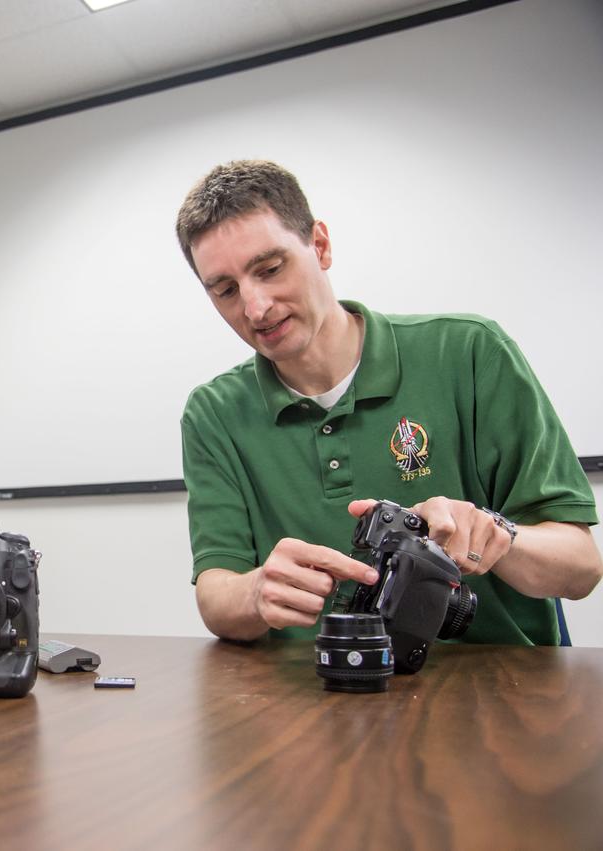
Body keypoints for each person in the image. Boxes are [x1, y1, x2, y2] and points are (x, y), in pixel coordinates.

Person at [176, 160, 602, 644]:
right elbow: (217, 595)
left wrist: (496, 536)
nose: (255, 308)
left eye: (270, 270)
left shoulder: (469, 352)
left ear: (320, 246)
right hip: (319, 682)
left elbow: (581, 568)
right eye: (226, 290)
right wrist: (255, 593)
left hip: (495, 683)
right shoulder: (214, 413)